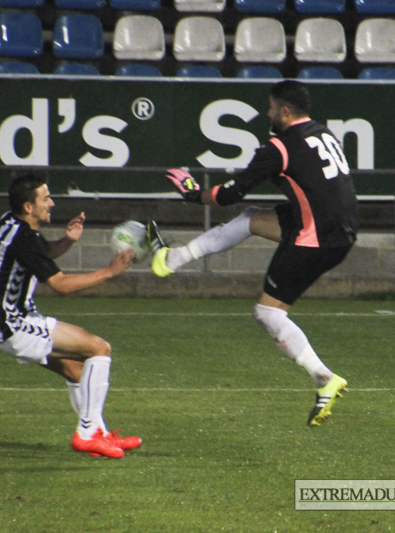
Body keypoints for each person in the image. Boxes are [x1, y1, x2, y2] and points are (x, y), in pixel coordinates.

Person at [149, 80, 358, 427]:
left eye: (272, 108)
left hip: (317, 236)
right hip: (340, 227)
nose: (268, 113)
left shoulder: (280, 146)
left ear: (285, 112)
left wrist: (191, 192)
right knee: (252, 220)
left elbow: (229, 194)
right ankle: (172, 259)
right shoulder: (322, 133)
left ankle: (324, 377)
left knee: (267, 312)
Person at [0, 173, 142, 458]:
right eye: (46, 198)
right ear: (29, 207)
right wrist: (109, 272)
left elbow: (40, 254)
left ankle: (99, 434)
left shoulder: (12, 222)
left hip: (5, 323)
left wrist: (67, 241)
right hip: (16, 325)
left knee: (75, 370)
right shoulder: (23, 237)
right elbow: (60, 285)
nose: (52, 204)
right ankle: (87, 434)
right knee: (99, 348)